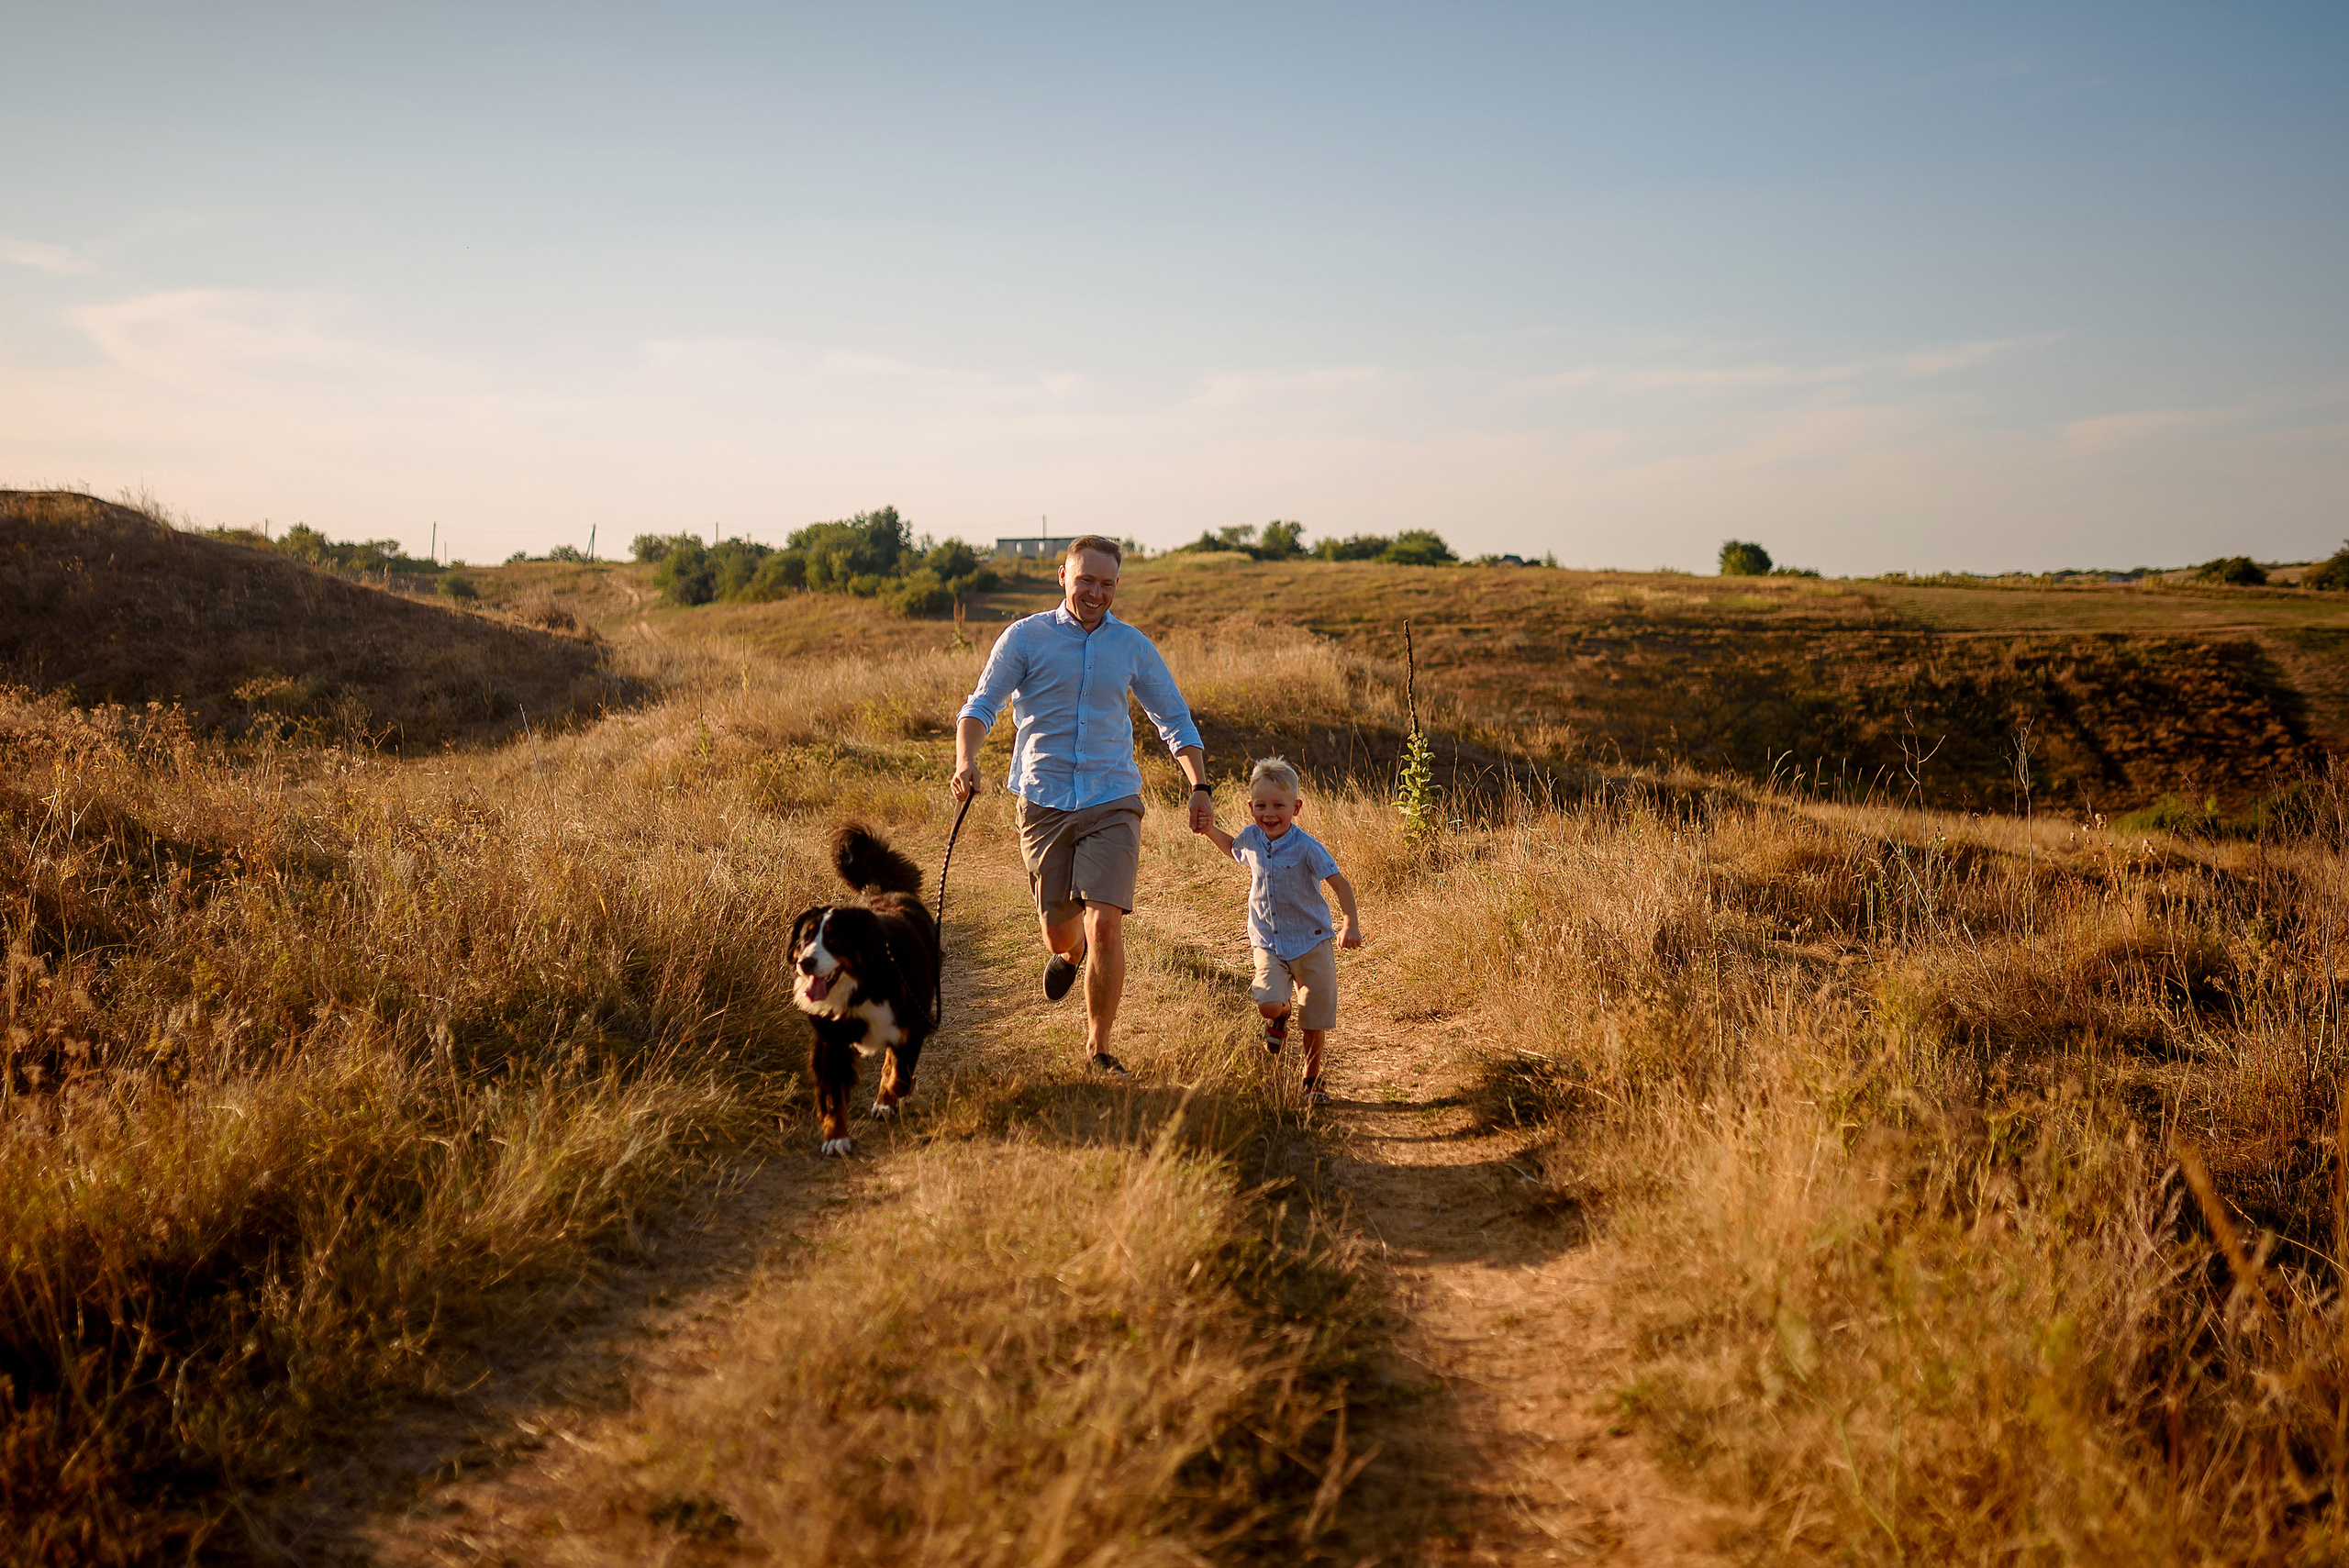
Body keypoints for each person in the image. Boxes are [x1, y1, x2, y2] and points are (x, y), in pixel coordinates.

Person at [952, 536, 1215, 1074]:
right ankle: (1068, 956)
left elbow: (1175, 720)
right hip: (1043, 799)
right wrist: (966, 759)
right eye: (1087, 580)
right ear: (1063, 577)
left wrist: (1199, 785)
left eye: (1107, 583)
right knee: (1061, 930)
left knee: (1107, 924)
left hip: (1112, 797)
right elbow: (982, 705)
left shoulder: (1132, 646)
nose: (1096, 592)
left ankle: (1098, 1048)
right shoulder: (1025, 638)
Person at [1192, 755, 1362, 1104]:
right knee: (1269, 1004)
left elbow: (1340, 884)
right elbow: (1233, 850)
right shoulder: (1251, 838)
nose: (1270, 814)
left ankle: (1311, 1079)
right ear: (1251, 807)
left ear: (1296, 807)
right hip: (1268, 941)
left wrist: (1350, 922)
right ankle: (1279, 1017)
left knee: (1313, 1018)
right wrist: (1209, 829)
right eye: (1262, 806)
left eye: (1279, 806)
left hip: (1312, 942)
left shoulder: (1307, 848)